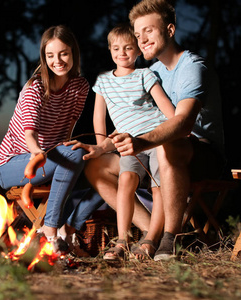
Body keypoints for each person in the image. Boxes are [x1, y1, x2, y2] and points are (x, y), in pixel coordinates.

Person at [66, 0, 225, 261]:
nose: (141, 40)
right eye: (138, 35)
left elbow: (182, 124)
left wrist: (141, 142)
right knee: (96, 166)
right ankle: (148, 231)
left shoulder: (192, 68)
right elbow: (136, 118)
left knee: (166, 145)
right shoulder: (151, 71)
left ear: (170, 30)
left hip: (202, 152)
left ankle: (169, 238)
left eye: (148, 31)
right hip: (155, 148)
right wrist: (103, 146)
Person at [0, 25, 89, 254]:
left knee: (94, 160)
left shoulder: (80, 87)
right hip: (13, 163)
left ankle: (68, 228)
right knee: (75, 154)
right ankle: (50, 228)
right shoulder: (35, 87)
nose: (57, 60)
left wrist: (66, 154)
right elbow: (30, 133)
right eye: (50, 55)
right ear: (43, 58)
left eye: (63, 53)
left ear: (73, 53)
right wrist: (38, 153)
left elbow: (67, 130)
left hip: (53, 160)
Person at [92, 23, 175, 261]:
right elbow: (99, 118)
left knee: (158, 186)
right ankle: (122, 240)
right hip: (129, 145)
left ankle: (150, 240)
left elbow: (164, 106)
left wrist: (176, 127)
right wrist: (100, 146)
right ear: (110, 50)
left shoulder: (144, 75)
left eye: (129, 48)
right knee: (126, 179)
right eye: (116, 48)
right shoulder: (103, 82)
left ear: (138, 51)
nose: (122, 53)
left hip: (156, 138)